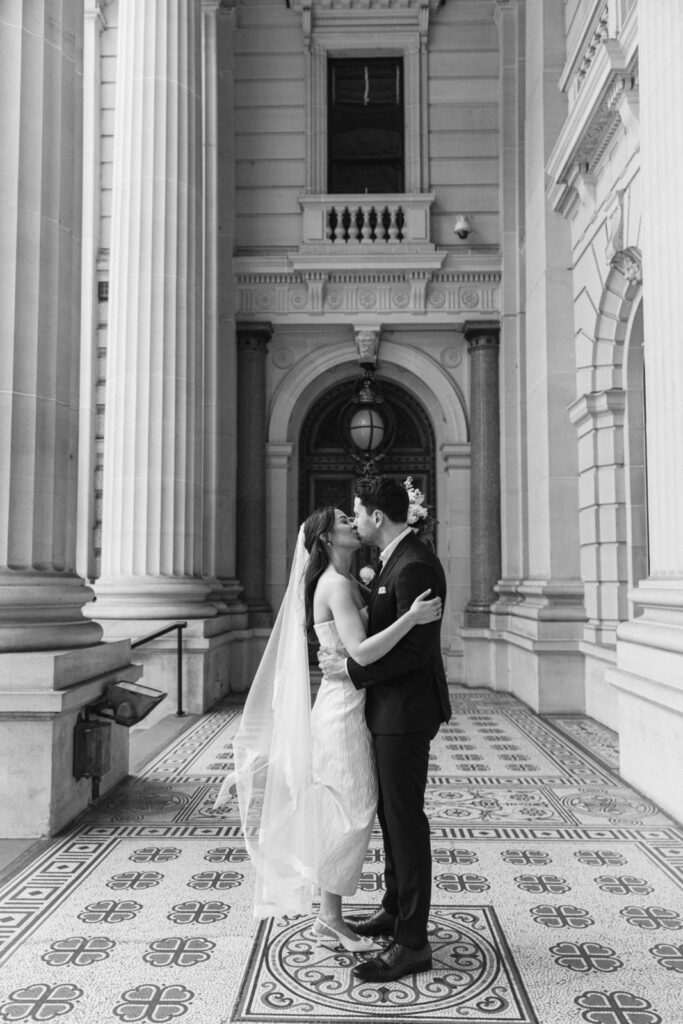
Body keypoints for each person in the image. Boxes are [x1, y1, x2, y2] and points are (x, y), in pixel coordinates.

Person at [214, 505, 441, 955]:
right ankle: (330, 918)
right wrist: (411, 618)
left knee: (347, 806)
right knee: (350, 809)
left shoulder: (349, 580)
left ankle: (331, 914)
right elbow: (361, 650)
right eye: (343, 521)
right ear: (325, 539)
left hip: (354, 703)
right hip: (343, 710)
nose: (352, 524)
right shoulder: (335, 584)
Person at [321, 475, 451, 983]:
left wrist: (353, 672)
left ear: (378, 516)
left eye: (359, 512)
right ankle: (394, 909)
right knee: (392, 817)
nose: (356, 520)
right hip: (388, 708)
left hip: (405, 712)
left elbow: (416, 651)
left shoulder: (414, 562)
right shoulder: (398, 558)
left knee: (405, 821)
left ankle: (413, 942)